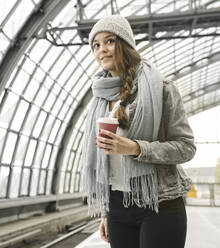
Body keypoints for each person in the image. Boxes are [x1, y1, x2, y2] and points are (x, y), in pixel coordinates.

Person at [81, 15, 196, 248]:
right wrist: (106, 212)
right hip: (117, 208)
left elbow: (186, 147)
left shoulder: (161, 88)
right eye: (96, 45)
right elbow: (107, 165)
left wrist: (136, 148)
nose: (101, 50)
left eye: (109, 41)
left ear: (124, 43)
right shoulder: (100, 99)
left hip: (160, 204)